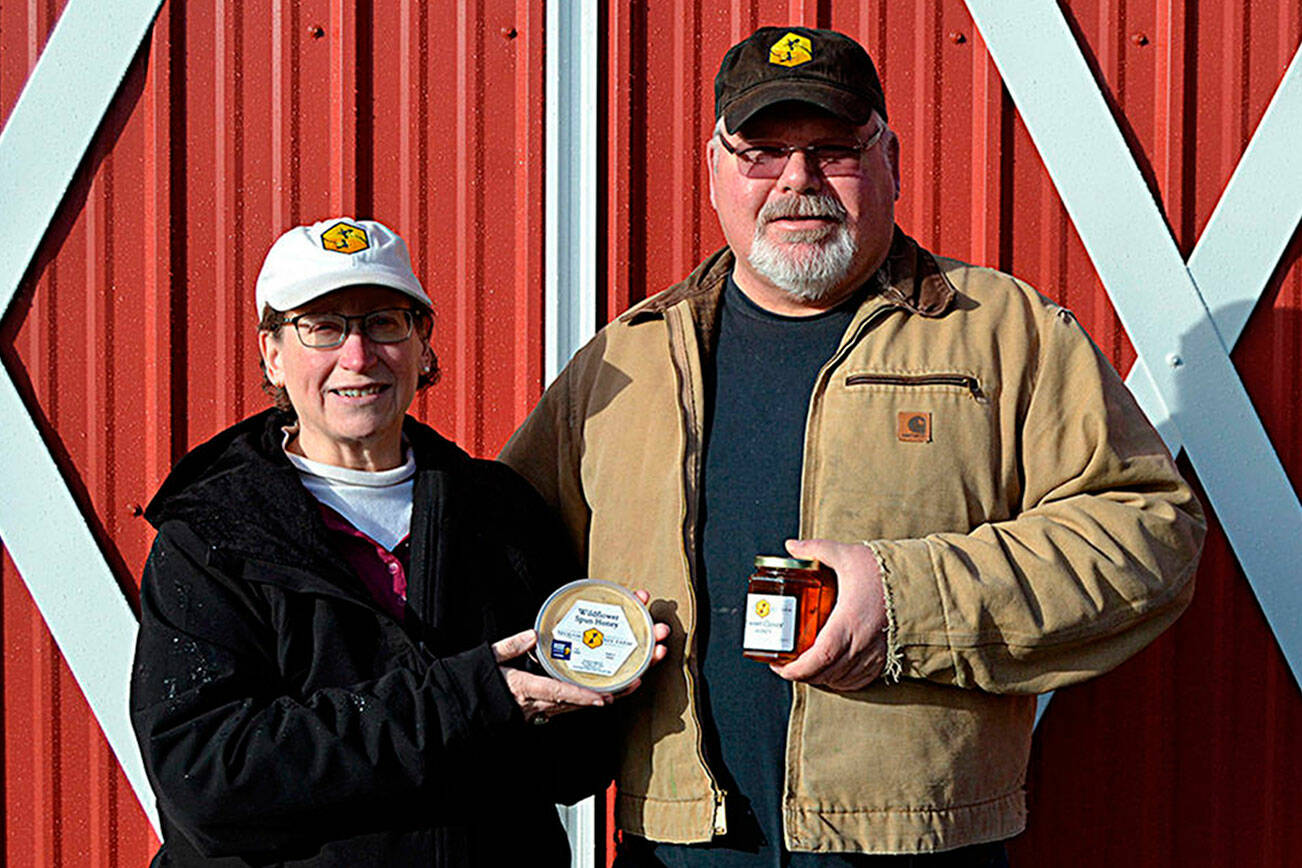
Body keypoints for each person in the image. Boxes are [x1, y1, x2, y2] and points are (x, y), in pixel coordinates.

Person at [500, 27, 1205, 867]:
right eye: (762, 152)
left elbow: (1149, 533)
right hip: (679, 846)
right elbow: (499, 551)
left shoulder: (1001, 332)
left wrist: (907, 598)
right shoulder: (628, 358)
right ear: (715, 168)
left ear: (890, 161)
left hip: (915, 845)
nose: (799, 181)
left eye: (834, 149)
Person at [129, 217, 668, 867]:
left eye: (385, 321)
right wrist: (470, 702)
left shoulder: (500, 512)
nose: (358, 357)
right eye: (322, 328)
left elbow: (572, 771)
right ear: (272, 352)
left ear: (421, 344)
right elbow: (210, 781)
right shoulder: (214, 538)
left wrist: (606, 669)